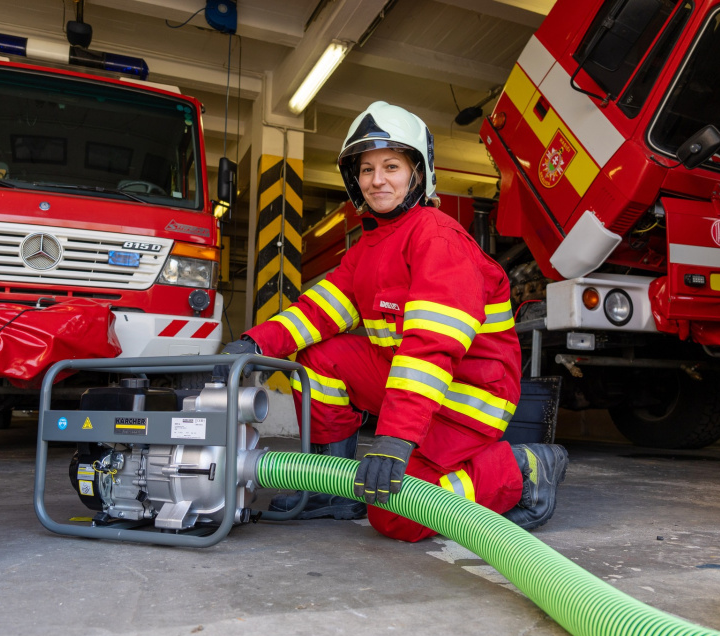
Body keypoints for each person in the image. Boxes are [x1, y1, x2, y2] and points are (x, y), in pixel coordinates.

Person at [220, 101, 568, 541]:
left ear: (416, 174)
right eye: (366, 169)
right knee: (318, 355)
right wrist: (253, 344)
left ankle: (524, 469)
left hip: (464, 397)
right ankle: (335, 485)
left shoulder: (439, 239)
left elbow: (430, 347)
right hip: (416, 384)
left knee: (394, 517)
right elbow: (318, 312)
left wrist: (394, 440)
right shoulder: (369, 248)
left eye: (391, 166)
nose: (377, 180)